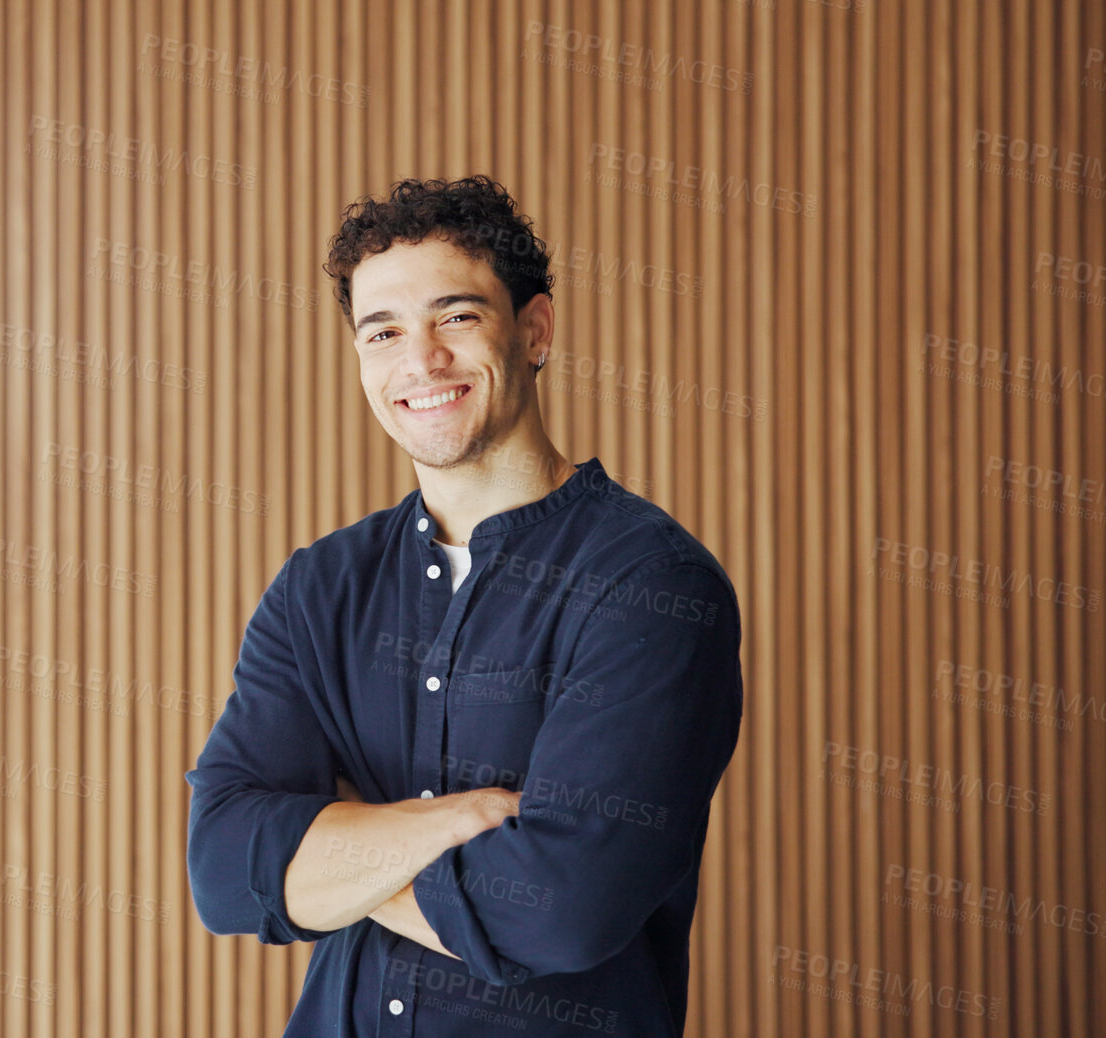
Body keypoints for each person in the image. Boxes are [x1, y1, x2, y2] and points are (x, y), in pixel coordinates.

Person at [185, 176, 744, 1036]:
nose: (420, 361)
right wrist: (461, 818)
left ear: (534, 330)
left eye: (454, 316)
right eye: (382, 332)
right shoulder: (319, 586)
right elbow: (223, 870)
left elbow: (559, 910)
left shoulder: (651, 585)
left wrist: (323, 857)